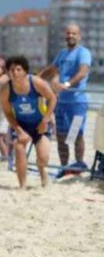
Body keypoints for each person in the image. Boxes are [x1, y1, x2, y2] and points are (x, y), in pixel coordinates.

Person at [0, 56, 56, 188]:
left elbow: (52, 98)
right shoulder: (5, 90)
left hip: (40, 123)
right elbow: (8, 113)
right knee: (19, 149)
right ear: (8, 72)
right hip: (21, 125)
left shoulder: (36, 82)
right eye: (12, 70)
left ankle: (42, 171)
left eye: (18, 69)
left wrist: (45, 120)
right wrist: (19, 130)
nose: (15, 73)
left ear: (25, 71)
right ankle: (22, 185)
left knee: (43, 157)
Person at [47, 24, 91, 171]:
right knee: (61, 136)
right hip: (61, 102)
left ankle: (78, 164)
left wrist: (67, 84)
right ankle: (64, 167)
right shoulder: (62, 53)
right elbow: (52, 69)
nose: (70, 36)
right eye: (68, 33)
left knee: (76, 134)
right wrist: (34, 79)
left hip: (77, 102)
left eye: (74, 33)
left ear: (79, 36)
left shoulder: (83, 52)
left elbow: (82, 72)